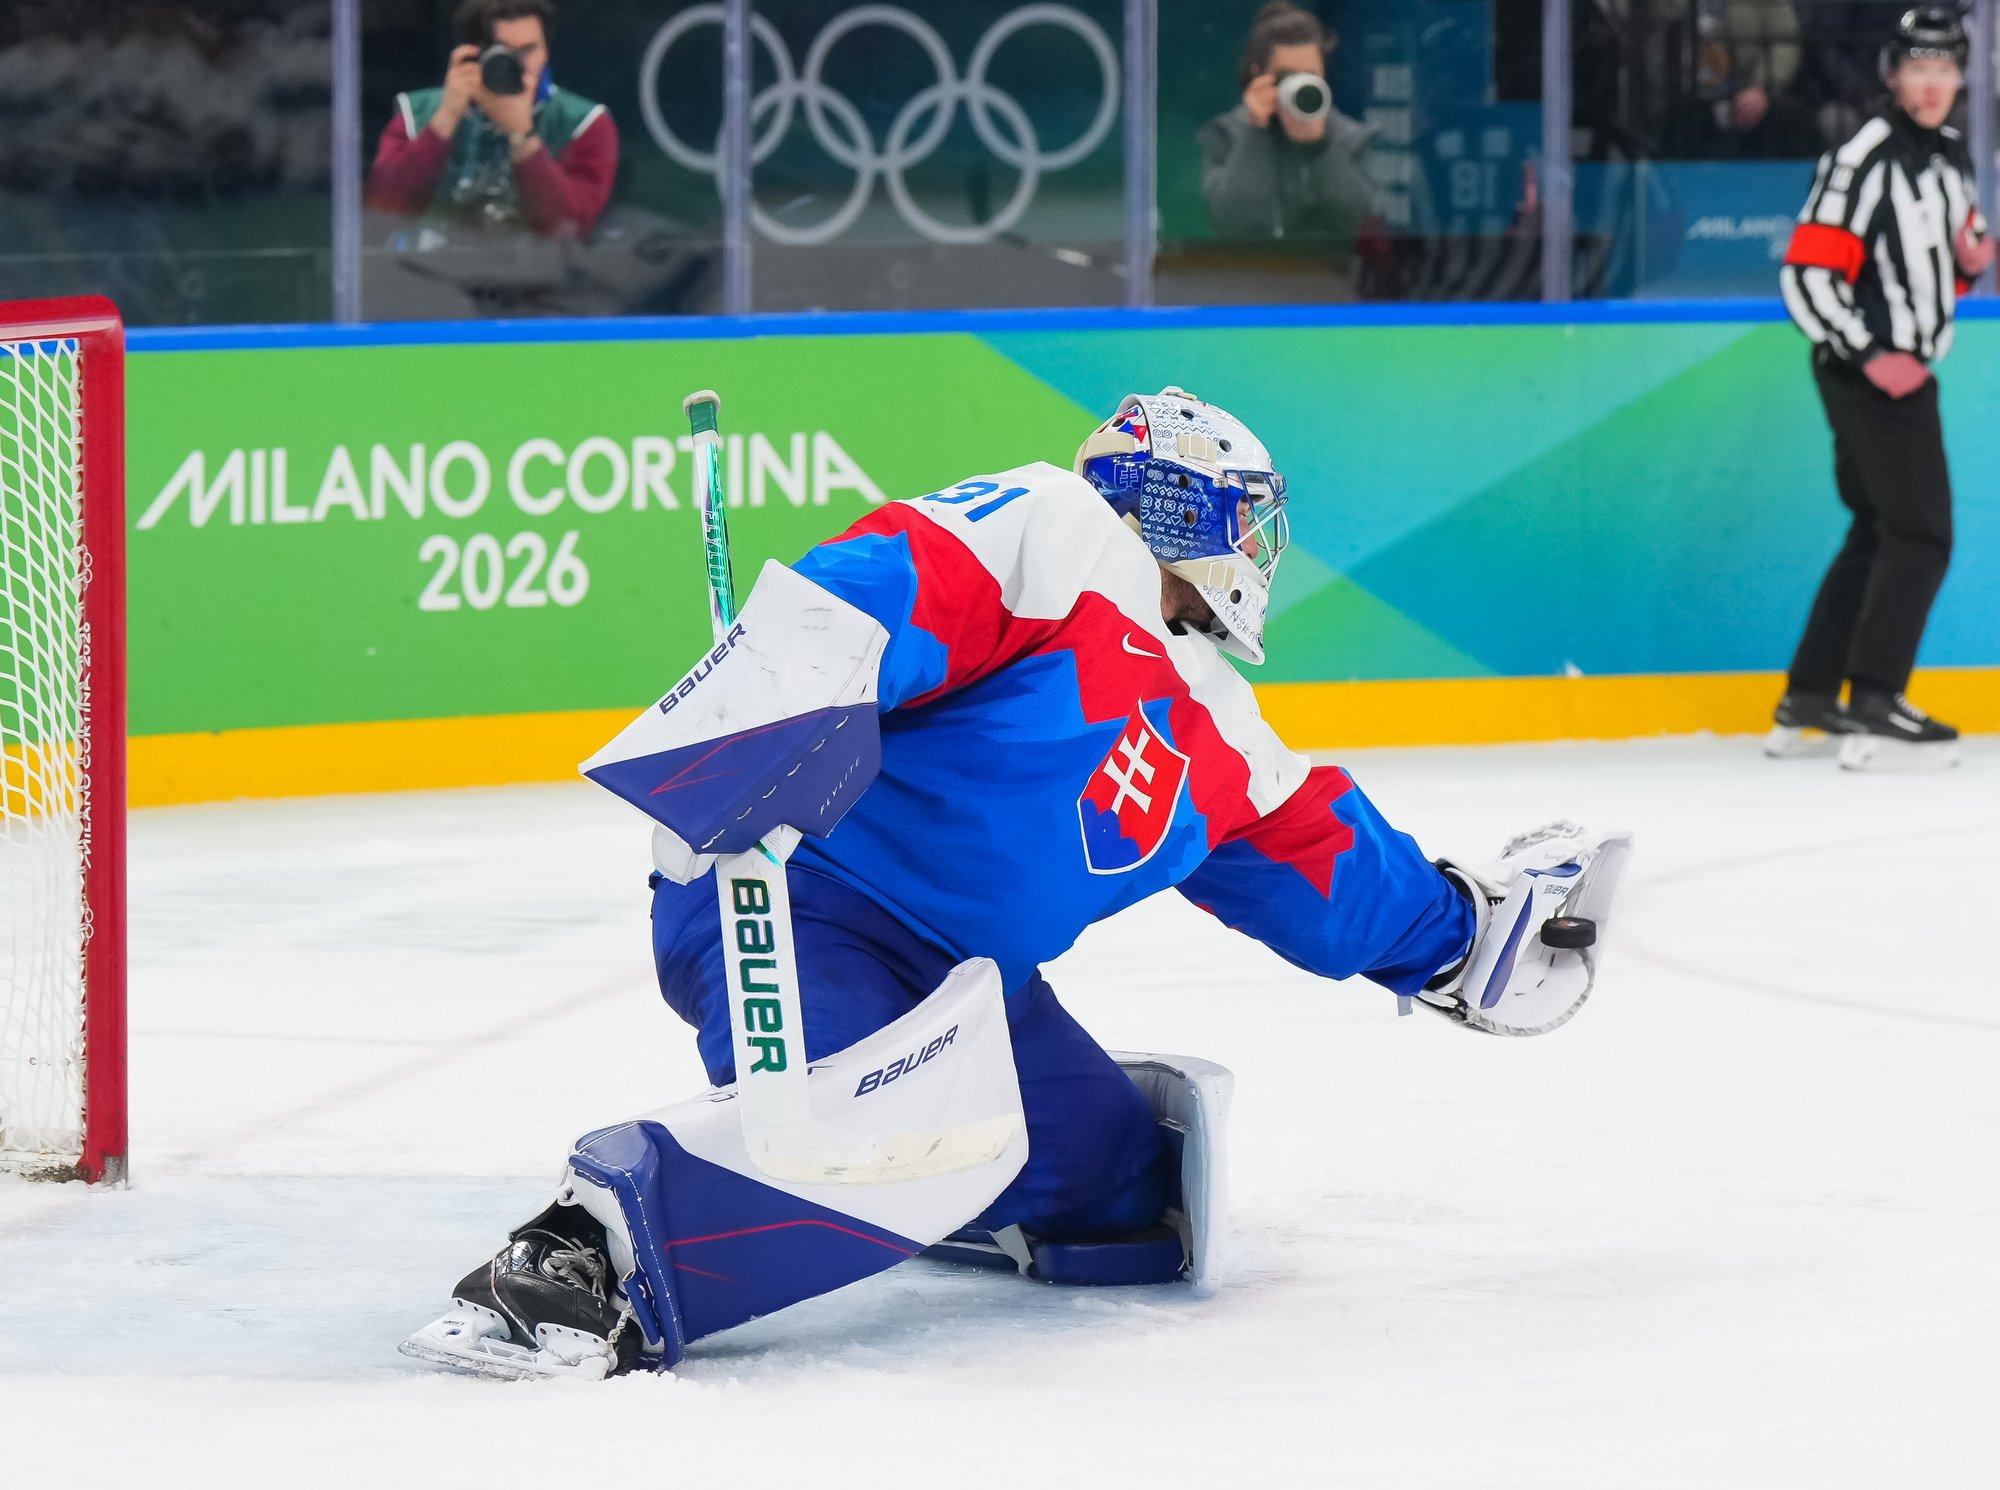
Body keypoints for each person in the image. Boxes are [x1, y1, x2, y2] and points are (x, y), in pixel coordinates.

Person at [401, 387, 1633, 1379]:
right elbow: (889, 581)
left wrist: (1461, 936)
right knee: (843, 1127)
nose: (1258, 554)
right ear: (1190, 507)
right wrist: (771, 705)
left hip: (966, 982)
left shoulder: (1224, 728)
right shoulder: (1059, 531)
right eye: (1247, 522)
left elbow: (1323, 867)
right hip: (796, 900)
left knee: (1124, 1195)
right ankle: (578, 1250)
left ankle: (937, 1167)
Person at [1772, 6, 1990, 769]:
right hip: (1874, 374)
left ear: (1960, 76)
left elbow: (1939, 268)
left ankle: (1809, 695)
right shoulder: (1863, 157)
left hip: (1899, 365)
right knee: (1923, 532)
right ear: (1893, 74)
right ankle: (1875, 696)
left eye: (1945, 68)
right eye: (1918, 67)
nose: (1932, 83)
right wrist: (1871, 354)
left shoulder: (1951, 154)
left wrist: (1970, 263)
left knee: (1877, 527)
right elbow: (1807, 274)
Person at [365, 0, 615, 240]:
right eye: (504, 53)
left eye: (528, 50)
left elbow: (570, 228)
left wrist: (522, 135)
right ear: (472, 54)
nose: (518, 65)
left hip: (537, 268)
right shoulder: (417, 113)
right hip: (428, 265)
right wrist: (445, 118)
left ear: (545, 51)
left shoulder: (584, 123)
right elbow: (385, 211)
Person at [1199, 3, 1375, 249]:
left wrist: (1319, 148)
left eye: (1311, 75)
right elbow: (1231, 224)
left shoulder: (1348, 136)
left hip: (1325, 271)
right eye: (1288, 76)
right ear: (1259, 75)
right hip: (1251, 269)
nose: (1301, 86)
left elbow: (1357, 222)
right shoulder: (1225, 135)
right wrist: (1255, 133)